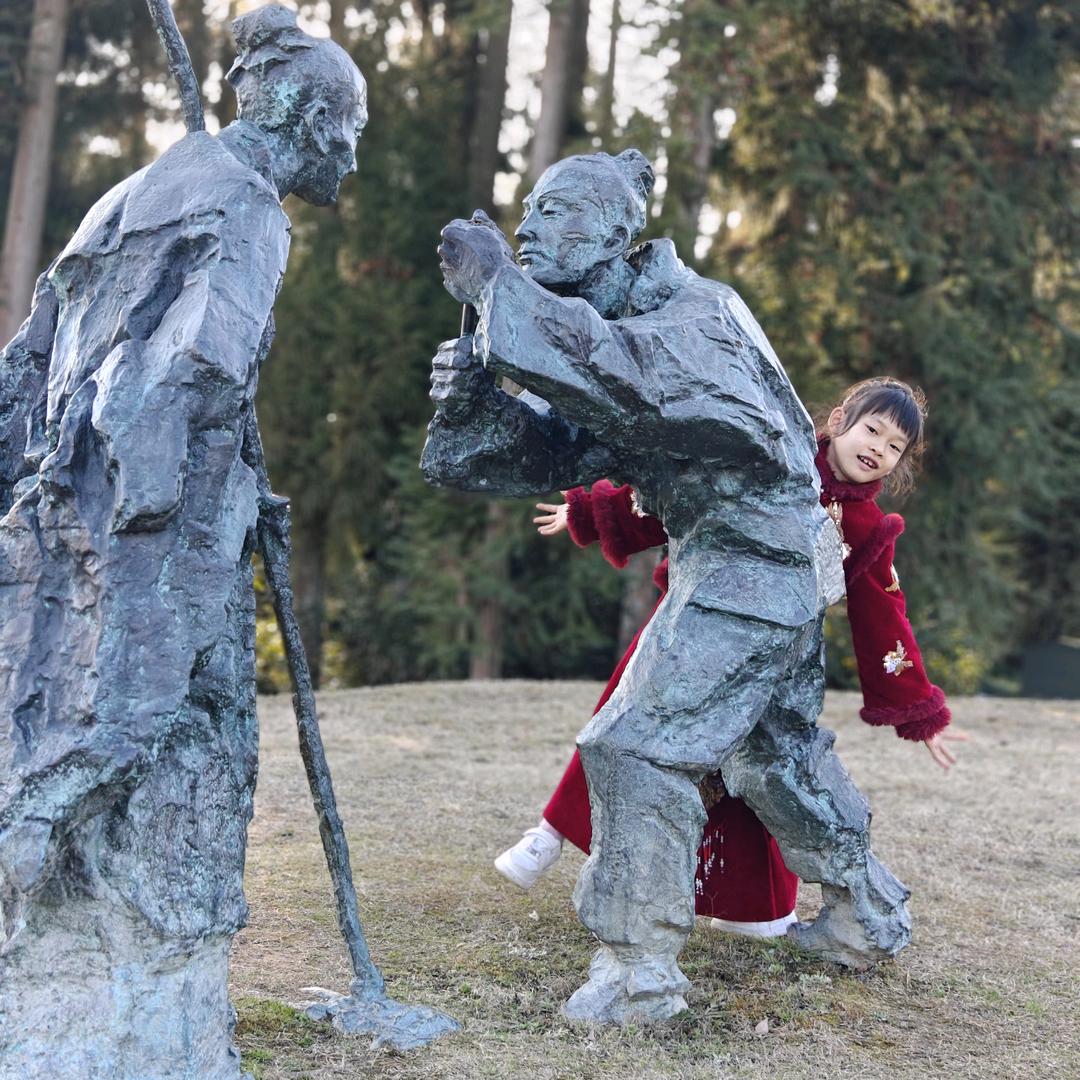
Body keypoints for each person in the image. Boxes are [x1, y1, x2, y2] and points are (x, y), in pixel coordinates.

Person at [423, 148, 911, 1023]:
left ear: (619, 234)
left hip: (753, 566)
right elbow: (560, 446)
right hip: (749, 566)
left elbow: (627, 383)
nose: (531, 227)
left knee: (635, 746)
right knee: (774, 753)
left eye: (558, 211)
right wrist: (472, 402)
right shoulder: (612, 326)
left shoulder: (698, 318)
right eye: (529, 210)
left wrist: (503, 292)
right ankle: (866, 915)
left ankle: (639, 974)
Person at [0, 7, 366, 1076]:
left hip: (60, 496)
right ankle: (67, 881)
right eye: (347, 126)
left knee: (107, 717)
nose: (350, 151)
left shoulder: (135, 193)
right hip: (154, 514)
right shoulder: (249, 208)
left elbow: (27, 357)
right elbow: (196, 369)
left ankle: (84, 958)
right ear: (305, 116)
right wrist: (173, 510)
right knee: (156, 729)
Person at [495, 377, 966, 938]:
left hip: (770, 661)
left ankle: (750, 908)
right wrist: (595, 514)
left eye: (894, 447)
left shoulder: (868, 529)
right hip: (691, 625)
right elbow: (688, 490)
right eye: (872, 430)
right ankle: (548, 836)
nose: (878, 449)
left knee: (748, 774)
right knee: (626, 727)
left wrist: (919, 712)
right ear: (839, 420)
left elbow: (884, 619)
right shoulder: (772, 461)